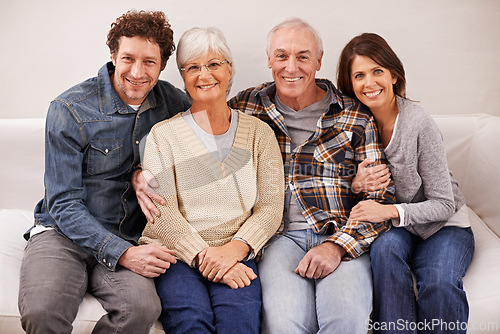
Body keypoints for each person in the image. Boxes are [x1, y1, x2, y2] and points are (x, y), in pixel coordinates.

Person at [18, 10, 190, 334]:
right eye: (128, 58)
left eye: (149, 62)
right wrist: (124, 254)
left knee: (142, 309)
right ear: (113, 56)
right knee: (42, 312)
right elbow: (64, 204)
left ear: (163, 65)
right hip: (63, 234)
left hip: (127, 231)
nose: (137, 73)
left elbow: (211, 123)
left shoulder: (172, 103)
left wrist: (144, 169)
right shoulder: (69, 109)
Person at [227, 18, 396, 333]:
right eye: (282, 56)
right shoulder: (246, 107)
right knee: (285, 325)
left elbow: (380, 197)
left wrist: (336, 247)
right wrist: (145, 169)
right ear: (269, 60)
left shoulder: (354, 114)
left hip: (340, 235)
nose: (291, 67)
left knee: (346, 323)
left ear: (319, 60)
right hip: (277, 239)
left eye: (303, 56)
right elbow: (196, 135)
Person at [138, 27, 284, 334]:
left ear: (230, 69)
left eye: (214, 64)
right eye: (193, 67)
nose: (204, 74)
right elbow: (161, 213)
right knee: (192, 321)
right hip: (177, 255)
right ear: (183, 77)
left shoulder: (260, 133)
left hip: (236, 250)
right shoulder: (163, 136)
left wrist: (235, 250)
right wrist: (206, 257)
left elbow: (271, 207)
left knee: (240, 323)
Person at [337, 33, 475, 333]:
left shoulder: (418, 123)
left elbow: (443, 204)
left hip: (443, 226)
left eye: (377, 71)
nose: (369, 83)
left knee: (439, 282)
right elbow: (334, 187)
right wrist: (355, 185)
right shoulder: (351, 125)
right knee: (384, 253)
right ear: (350, 85)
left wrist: (389, 212)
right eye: (359, 75)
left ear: (394, 75)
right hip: (395, 230)